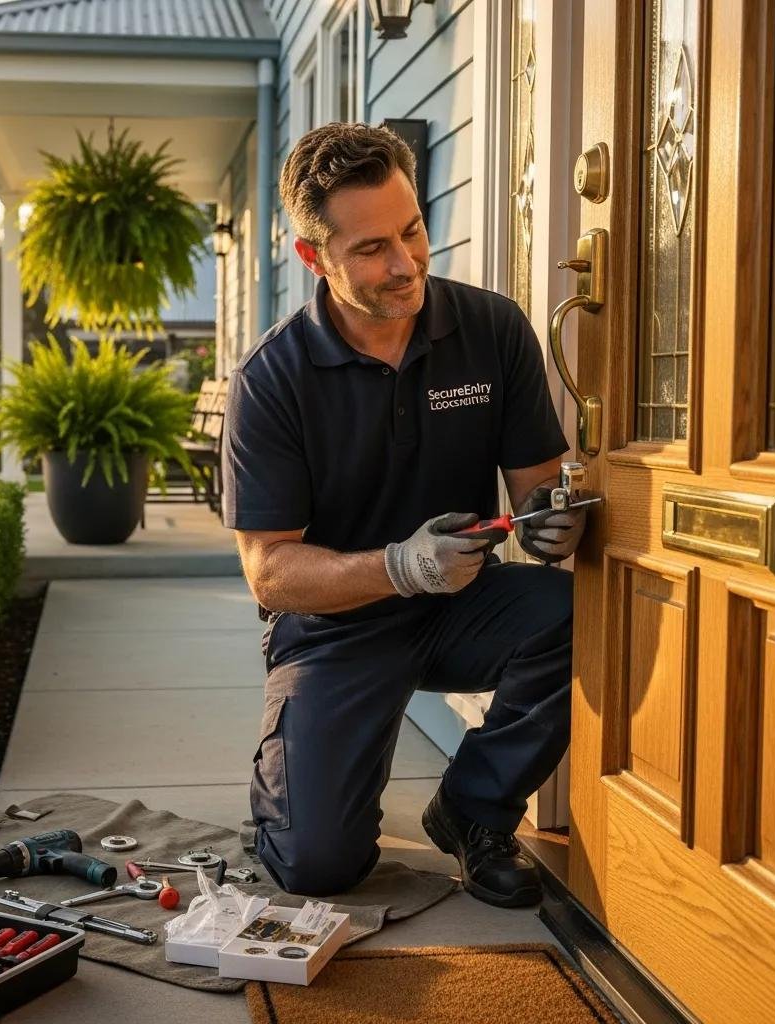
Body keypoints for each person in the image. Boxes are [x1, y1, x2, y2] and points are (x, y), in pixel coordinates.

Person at [221, 122, 588, 908]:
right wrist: (397, 565)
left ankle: (473, 810)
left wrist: (555, 517)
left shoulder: (490, 329)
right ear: (314, 257)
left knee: (580, 612)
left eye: (413, 230)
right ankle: (288, 797)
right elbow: (271, 570)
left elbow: (538, 488)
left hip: (462, 605)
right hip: (335, 625)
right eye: (370, 249)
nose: (405, 264)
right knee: (318, 866)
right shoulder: (272, 379)